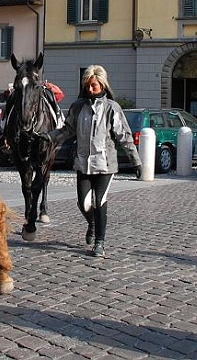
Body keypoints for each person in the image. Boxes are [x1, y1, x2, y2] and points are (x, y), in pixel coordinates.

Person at [46, 65, 141, 257]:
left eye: (94, 86)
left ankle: (100, 242)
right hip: (83, 163)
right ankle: (92, 223)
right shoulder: (78, 106)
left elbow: (124, 135)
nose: (90, 89)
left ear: (103, 85)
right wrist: (48, 137)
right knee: (84, 204)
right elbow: (67, 130)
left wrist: (136, 162)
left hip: (105, 165)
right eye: (88, 85)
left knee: (99, 201)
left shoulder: (111, 108)